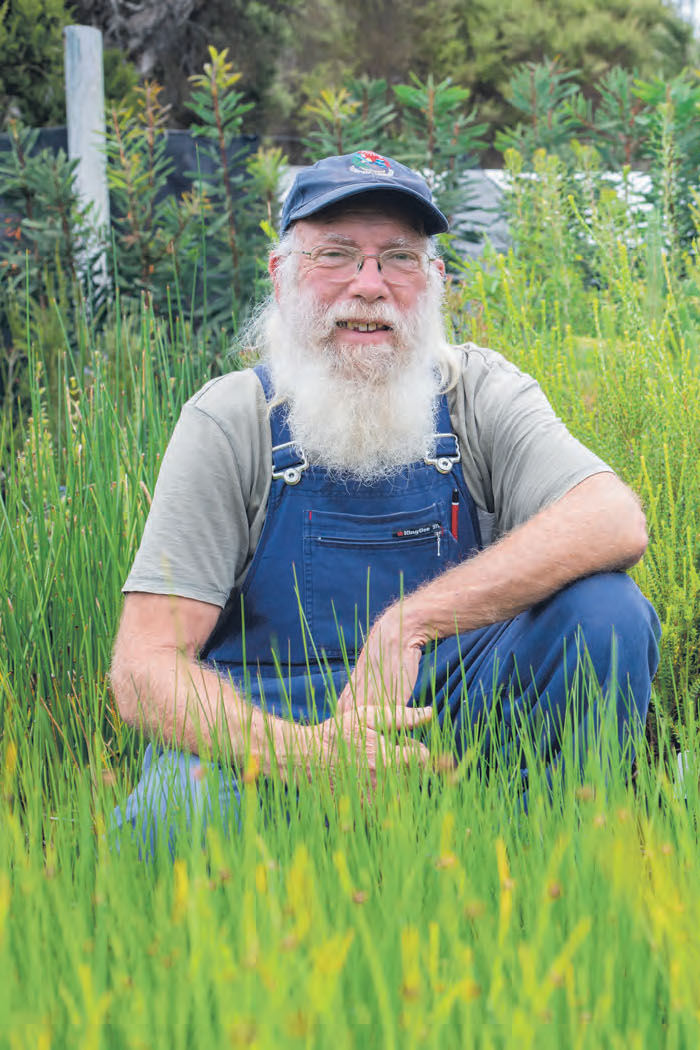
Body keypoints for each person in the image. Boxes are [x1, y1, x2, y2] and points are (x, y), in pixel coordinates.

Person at [110, 150, 660, 847]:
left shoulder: (477, 394)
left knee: (606, 611)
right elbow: (142, 667)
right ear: (282, 277)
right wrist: (311, 757)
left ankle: (551, 868)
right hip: (271, 721)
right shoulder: (231, 420)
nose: (369, 286)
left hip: (446, 709)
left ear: (433, 281)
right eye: (336, 254)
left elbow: (612, 517)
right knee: (168, 831)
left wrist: (409, 624)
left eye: (399, 257)